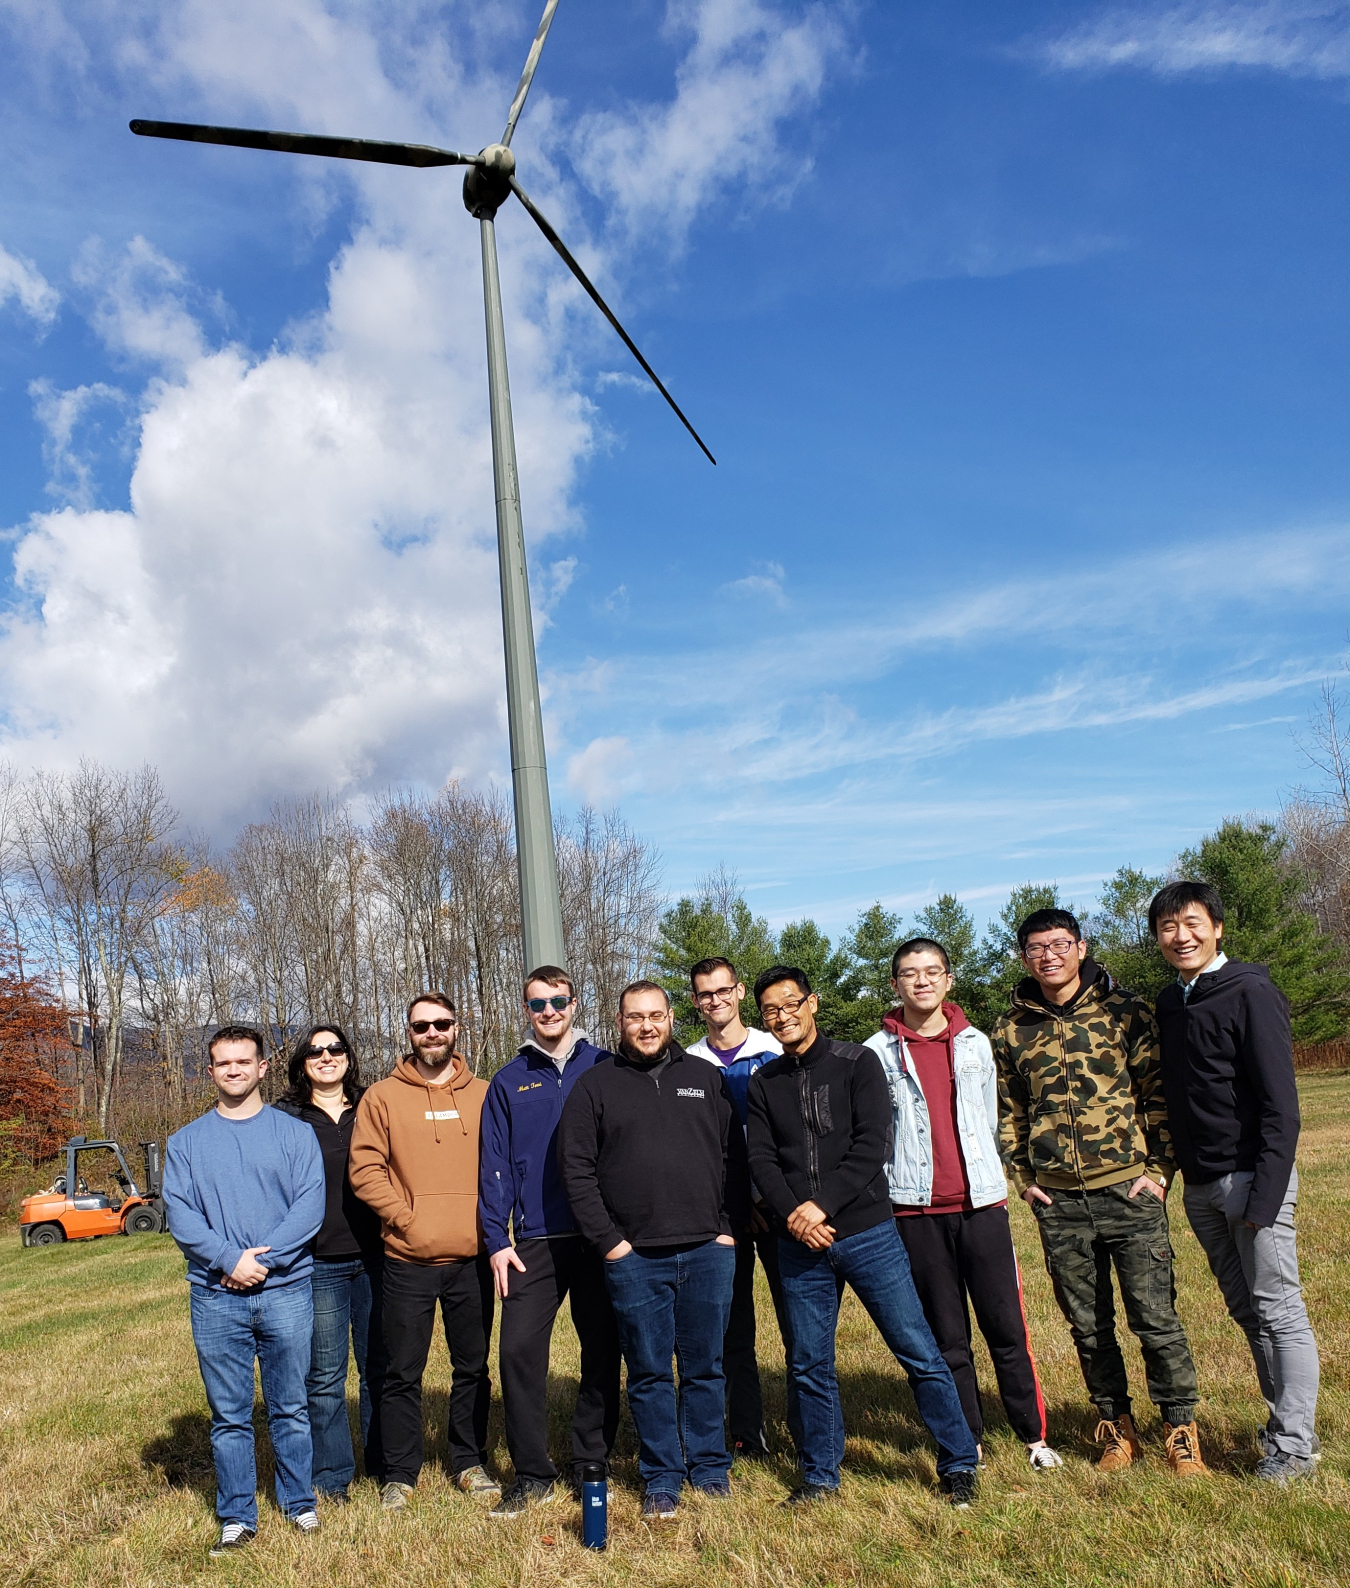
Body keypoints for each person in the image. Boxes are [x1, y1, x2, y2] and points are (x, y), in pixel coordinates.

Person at [746, 966, 980, 1508]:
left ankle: (959, 1460)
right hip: (798, 1245)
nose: (782, 1017)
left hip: (867, 1233)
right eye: (771, 1011)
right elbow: (760, 1159)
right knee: (808, 1363)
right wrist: (795, 1217)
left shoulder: (857, 1062)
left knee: (916, 1349)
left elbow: (872, 1145)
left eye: (790, 1004)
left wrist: (819, 1206)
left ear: (813, 1003)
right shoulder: (765, 1082)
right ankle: (820, 1475)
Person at [992, 908, 1205, 1476]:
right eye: (1036, 947)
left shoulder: (1126, 1011)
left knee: (1155, 1319)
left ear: (1081, 948)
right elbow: (1010, 1109)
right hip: (1059, 1204)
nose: (1049, 956)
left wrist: (1159, 1171)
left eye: (1060, 944)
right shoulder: (1012, 1027)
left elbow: (1157, 1093)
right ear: (1024, 957)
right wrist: (1026, 1180)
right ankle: (1116, 1429)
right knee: (1088, 1327)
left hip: (1128, 1193)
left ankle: (1180, 1431)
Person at [865, 938, 1061, 1470]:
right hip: (915, 1211)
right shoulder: (875, 1054)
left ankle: (1033, 1435)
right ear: (895, 985)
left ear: (949, 979)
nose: (922, 981)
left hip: (982, 1207)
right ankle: (967, 1434)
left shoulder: (978, 1044)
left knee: (1007, 1327)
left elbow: (996, 1117)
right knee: (946, 1334)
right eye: (910, 973)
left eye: (932, 972)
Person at [1151, 881, 1321, 1485]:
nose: (1182, 936)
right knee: (1249, 1313)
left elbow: (1283, 1107)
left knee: (1280, 1311)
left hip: (1252, 1180)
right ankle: (1285, 1425)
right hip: (1201, 1189)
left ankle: (1294, 1448)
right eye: (1169, 928)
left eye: (1192, 923)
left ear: (1217, 928)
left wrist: (1266, 1197)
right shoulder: (1172, 1004)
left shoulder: (1250, 990)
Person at [558, 980, 747, 1521]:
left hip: (709, 1250)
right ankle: (661, 1475)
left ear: (671, 1019)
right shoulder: (595, 1087)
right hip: (635, 1259)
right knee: (648, 1372)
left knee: (705, 1367)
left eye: (656, 1015)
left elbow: (733, 1160)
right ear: (619, 1022)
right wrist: (611, 1244)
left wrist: (727, 1228)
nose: (647, 1026)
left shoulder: (704, 1078)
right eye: (635, 1017)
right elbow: (576, 1172)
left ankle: (709, 1468)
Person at [162, 1025, 326, 1558]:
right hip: (215, 1296)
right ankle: (236, 1514)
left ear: (262, 1067)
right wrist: (229, 1260)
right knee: (229, 1414)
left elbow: (309, 1207)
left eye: (243, 1061)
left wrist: (262, 1261)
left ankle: (299, 1503)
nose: (233, 1070)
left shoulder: (295, 1134)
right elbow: (182, 1217)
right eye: (222, 1063)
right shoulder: (185, 1143)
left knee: (291, 1406)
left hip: (286, 1289)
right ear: (210, 1071)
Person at [479, 966, 622, 1517]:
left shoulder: (606, 1066)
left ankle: (593, 1457)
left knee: (603, 1348)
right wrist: (496, 1238)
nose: (549, 1012)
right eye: (537, 1004)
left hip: (600, 1236)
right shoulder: (510, 1079)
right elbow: (494, 1165)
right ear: (526, 1010)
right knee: (517, 1352)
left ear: (575, 1002)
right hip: (533, 1240)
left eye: (558, 1001)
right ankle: (532, 1471)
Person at [348, 992, 497, 1511]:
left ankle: (469, 1461)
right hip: (407, 1261)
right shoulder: (382, 1098)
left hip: (472, 1258)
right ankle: (400, 1473)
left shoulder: (484, 1093)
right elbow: (365, 1169)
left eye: (441, 1024)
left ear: (456, 1029)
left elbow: (503, 1165)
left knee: (472, 1368)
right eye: (420, 1026)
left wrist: (489, 1225)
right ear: (407, 1034)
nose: (431, 1033)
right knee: (401, 1372)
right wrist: (405, 1217)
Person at [684, 954, 794, 1459]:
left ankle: (806, 1427)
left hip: (784, 1210)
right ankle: (748, 1433)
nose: (715, 1000)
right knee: (735, 1328)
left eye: (722, 990)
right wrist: (734, 1202)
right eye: (705, 994)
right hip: (726, 1216)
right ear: (694, 1001)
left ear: (740, 991)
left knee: (799, 1326)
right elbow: (698, 1150)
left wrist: (773, 1198)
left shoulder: (776, 1050)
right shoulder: (688, 1063)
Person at [275, 1024, 386, 1502]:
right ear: (303, 1062)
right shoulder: (285, 1118)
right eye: (315, 1051)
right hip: (318, 1262)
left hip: (378, 1257)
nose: (326, 1057)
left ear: (348, 1057)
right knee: (323, 1376)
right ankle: (332, 1475)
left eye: (335, 1049)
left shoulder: (373, 1106)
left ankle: (387, 1467)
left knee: (380, 1368)